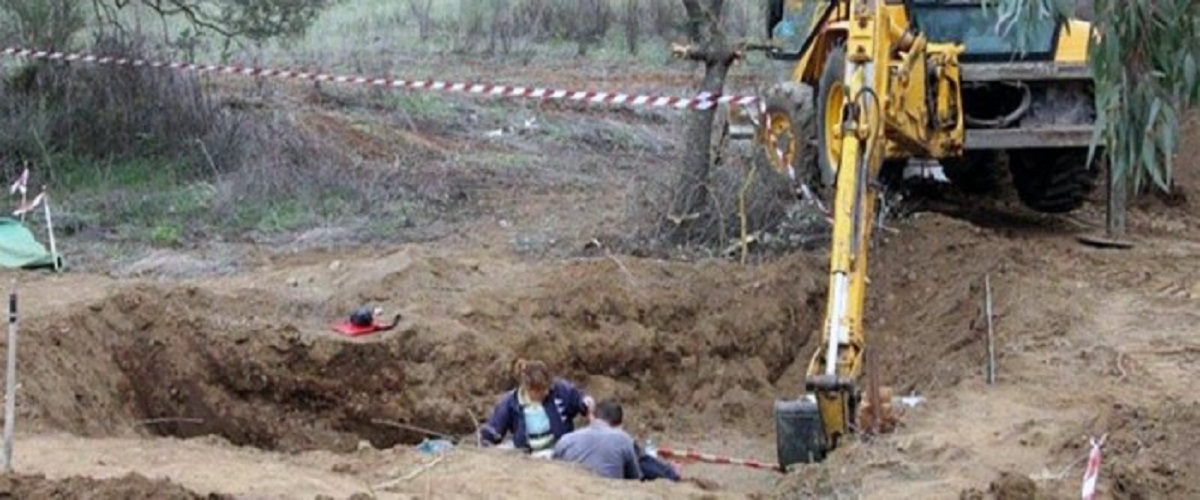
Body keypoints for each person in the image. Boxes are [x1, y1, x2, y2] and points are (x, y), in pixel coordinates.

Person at [479, 359, 594, 458]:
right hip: (527, 455)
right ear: (527, 388)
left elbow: (578, 398)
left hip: (558, 451)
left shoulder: (560, 389)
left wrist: (585, 401)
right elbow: (493, 429)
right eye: (540, 390)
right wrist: (485, 443)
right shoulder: (511, 402)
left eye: (547, 387)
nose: (546, 392)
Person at [552, 399, 642, 480]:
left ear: (591, 416)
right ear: (620, 425)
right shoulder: (624, 440)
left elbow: (551, 471)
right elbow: (635, 480)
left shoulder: (566, 440)